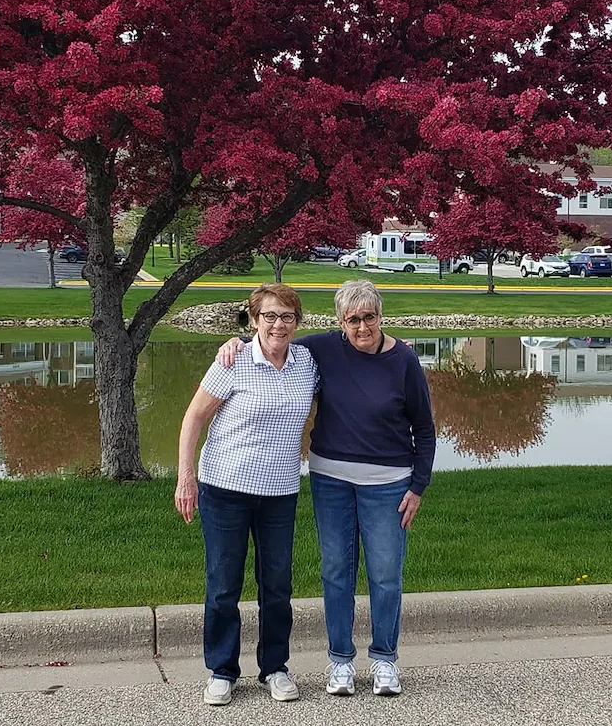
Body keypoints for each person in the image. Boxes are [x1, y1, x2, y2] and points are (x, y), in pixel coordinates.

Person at [218, 278, 435, 698]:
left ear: (380, 316)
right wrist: (236, 342)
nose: (361, 327)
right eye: (352, 319)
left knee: (386, 575)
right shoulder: (320, 350)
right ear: (339, 321)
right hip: (331, 480)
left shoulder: (404, 360)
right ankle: (340, 662)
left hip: (389, 485)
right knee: (336, 572)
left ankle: (385, 661)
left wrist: (418, 486)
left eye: (368, 317)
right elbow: (272, 338)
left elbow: (424, 430)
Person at [177, 284, 318, 706]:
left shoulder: (306, 361)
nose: (279, 324)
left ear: (297, 322)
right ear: (253, 320)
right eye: (270, 316)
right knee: (224, 584)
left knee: (277, 585)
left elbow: (349, 344)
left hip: (279, 491)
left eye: (287, 316)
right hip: (225, 490)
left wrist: (394, 343)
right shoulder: (233, 360)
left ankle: (274, 667)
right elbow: (193, 419)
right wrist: (187, 479)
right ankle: (222, 670)